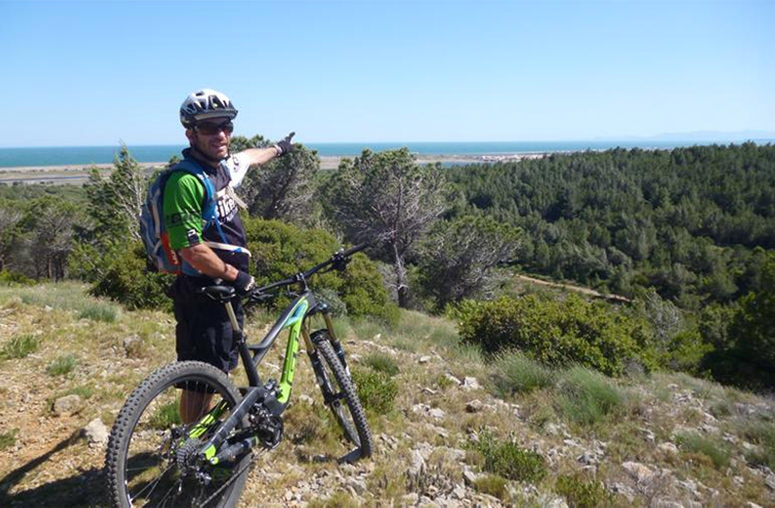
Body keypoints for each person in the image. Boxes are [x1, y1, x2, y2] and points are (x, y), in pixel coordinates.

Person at [164, 88, 294, 423]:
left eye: (226, 125)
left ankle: (201, 439)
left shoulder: (221, 169)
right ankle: (189, 452)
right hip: (203, 292)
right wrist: (237, 276)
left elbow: (250, 157)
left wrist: (278, 148)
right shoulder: (187, 181)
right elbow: (190, 249)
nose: (220, 134)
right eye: (209, 127)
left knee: (217, 367)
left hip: (224, 291)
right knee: (200, 381)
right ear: (190, 133)